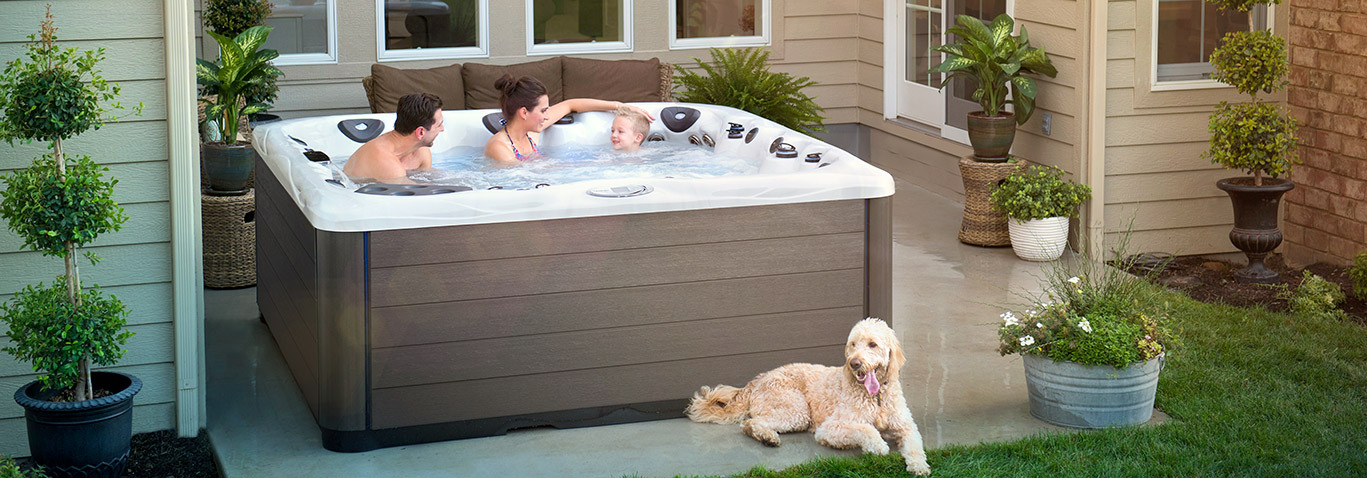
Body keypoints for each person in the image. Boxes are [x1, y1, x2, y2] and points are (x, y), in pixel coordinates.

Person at [484, 74, 654, 163]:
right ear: (524, 113)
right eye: (543, 110)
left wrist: (620, 106)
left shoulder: (530, 134)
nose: (547, 116)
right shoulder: (499, 148)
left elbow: (570, 105)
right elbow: (520, 180)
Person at [343, 92, 445, 182]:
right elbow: (420, 197)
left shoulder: (421, 151)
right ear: (421, 132)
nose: (442, 129)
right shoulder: (385, 161)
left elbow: (427, 182)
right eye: (439, 125)